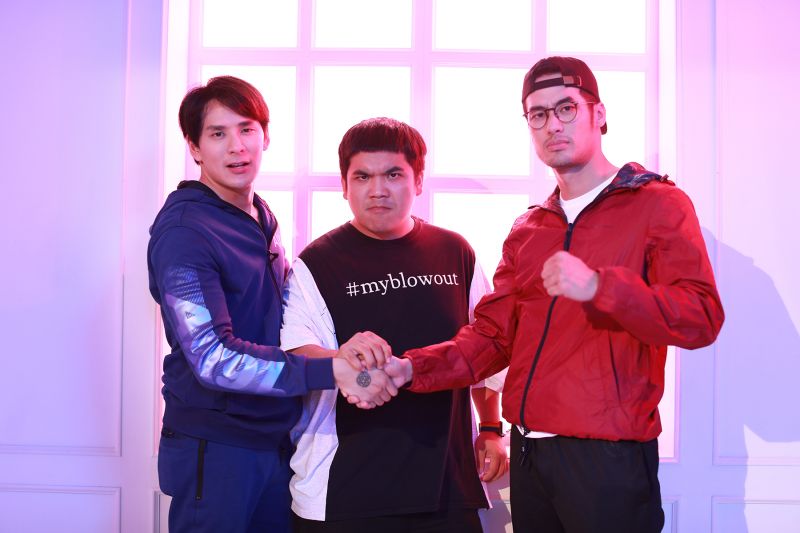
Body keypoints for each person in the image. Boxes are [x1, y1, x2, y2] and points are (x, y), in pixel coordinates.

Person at [380, 57, 725, 532]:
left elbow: (701, 318)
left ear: (598, 114)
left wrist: (601, 287)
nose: (552, 125)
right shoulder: (530, 228)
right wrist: (410, 369)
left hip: (607, 460)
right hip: (529, 456)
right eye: (538, 114)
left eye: (566, 108)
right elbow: (492, 338)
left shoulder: (658, 204)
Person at [147, 76, 396, 533]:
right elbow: (212, 359)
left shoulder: (260, 214)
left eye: (247, 129)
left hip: (276, 439)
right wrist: (333, 370)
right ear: (195, 148)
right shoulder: (184, 232)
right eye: (217, 133)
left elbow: (284, 319)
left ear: (265, 136)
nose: (237, 146)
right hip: (215, 447)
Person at [280, 117, 508, 532]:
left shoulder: (455, 252)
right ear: (344, 185)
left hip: (447, 487)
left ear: (418, 180)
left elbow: (485, 348)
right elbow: (296, 353)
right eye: (362, 176)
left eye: (393, 174)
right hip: (343, 491)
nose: (378, 189)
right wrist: (344, 361)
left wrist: (491, 428)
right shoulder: (315, 263)